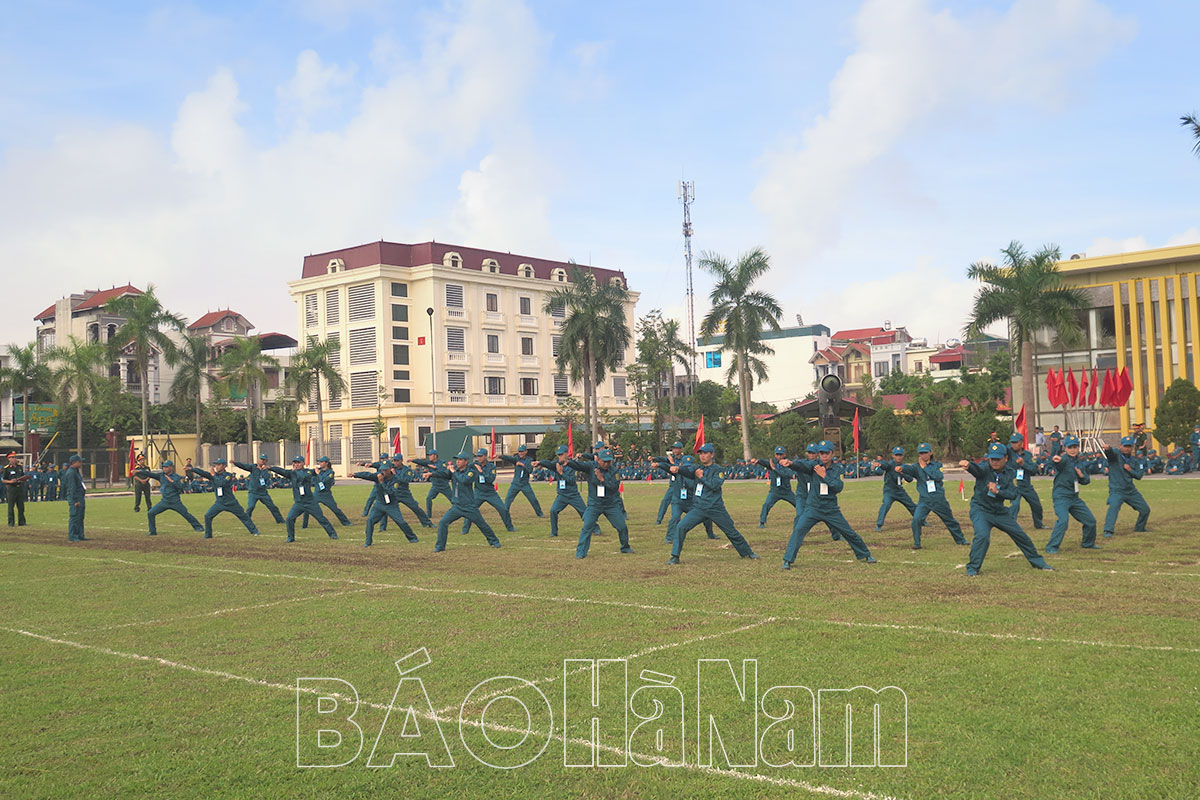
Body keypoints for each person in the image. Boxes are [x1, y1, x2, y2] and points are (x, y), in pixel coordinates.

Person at [958, 443, 1053, 576]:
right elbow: (977, 471)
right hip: (981, 510)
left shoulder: (1010, 472)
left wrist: (998, 491)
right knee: (982, 536)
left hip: (1000, 511)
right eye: (992, 459)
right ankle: (973, 568)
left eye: (998, 459)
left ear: (1006, 458)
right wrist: (969, 466)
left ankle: (1038, 562)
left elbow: (1013, 493)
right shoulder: (985, 468)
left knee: (1021, 535)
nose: (995, 462)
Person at [781, 441, 875, 569]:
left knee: (848, 532)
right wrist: (791, 464)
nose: (824, 455)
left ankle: (865, 554)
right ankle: (788, 560)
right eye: (821, 453)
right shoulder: (814, 465)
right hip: (813, 508)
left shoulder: (837, 469)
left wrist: (824, 476)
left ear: (832, 453)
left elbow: (838, 487)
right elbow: (802, 466)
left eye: (826, 453)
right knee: (798, 530)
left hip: (831, 509)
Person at [666, 444, 758, 564]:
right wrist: (677, 469)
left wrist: (702, 477)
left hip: (715, 508)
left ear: (712, 455)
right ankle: (675, 556)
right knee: (681, 527)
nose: (702, 456)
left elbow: (715, 485)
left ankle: (747, 553)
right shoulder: (698, 468)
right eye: (701, 454)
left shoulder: (718, 470)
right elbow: (688, 472)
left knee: (731, 531)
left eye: (705, 453)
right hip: (699, 508)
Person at [425, 451, 501, 552]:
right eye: (457, 459)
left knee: (482, 524)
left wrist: (453, 472)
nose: (458, 462)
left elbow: (464, 480)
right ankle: (440, 547)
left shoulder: (471, 472)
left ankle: (494, 541)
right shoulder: (455, 470)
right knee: (443, 522)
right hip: (457, 506)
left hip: (469, 506)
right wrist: (431, 474)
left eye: (460, 460)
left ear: (466, 461)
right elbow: (444, 474)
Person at [898, 443, 967, 549]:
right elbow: (908, 469)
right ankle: (917, 543)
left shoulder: (937, 465)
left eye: (925, 453)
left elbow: (938, 477)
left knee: (950, 520)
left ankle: (960, 539)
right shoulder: (916, 467)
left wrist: (925, 467)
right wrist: (901, 468)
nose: (923, 455)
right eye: (921, 453)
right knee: (916, 520)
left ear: (930, 453)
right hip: (924, 500)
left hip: (938, 499)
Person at [568, 448, 632, 559]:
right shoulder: (591, 467)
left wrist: (602, 480)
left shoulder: (614, 471)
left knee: (622, 526)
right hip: (595, 504)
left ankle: (625, 547)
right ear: (598, 460)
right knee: (587, 526)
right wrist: (568, 462)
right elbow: (579, 466)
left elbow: (614, 487)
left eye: (609, 461)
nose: (607, 464)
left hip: (610, 504)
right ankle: (581, 552)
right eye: (604, 461)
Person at [1046, 435, 1100, 553]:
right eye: (1070, 447)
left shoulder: (1080, 462)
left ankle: (1088, 543)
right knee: (1063, 521)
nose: (1072, 450)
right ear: (1065, 448)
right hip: (1061, 497)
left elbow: (1086, 481)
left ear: (1078, 448)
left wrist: (1082, 475)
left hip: (1074, 498)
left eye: (1075, 447)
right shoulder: (1064, 460)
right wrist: (1056, 460)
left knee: (1090, 521)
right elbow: (1058, 463)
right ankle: (1052, 547)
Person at [271, 456, 339, 542]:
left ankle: (332, 534)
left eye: (298, 462)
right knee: (289, 519)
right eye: (295, 463)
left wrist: (317, 471)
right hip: (299, 503)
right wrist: (270, 468)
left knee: (321, 518)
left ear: (303, 463)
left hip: (310, 502)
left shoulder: (308, 472)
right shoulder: (292, 473)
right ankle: (291, 537)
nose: (296, 464)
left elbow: (314, 473)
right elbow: (280, 471)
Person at [188, 458, 260, 538]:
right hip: (219, 502)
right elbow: (203, 473)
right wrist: (192, 469)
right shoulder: (214, 475)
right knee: (208, 516)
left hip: (231, 502)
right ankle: (208, 535)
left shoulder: (228, 476)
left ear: (224, 466)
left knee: (244, 517)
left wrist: (213, 475)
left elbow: (221, 483)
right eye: (216, 465)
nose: (216, 467)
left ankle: (254, 531)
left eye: (219, 465)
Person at [353, 464, 419, 547]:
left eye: (385, 470)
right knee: (370, 521)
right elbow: (368, 475)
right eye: (382, 470)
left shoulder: (396, 480)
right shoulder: (379, 475)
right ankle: (368, 542)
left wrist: (382, 482)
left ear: (390, 469)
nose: (383, 472)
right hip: (379, 504)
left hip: (391, 505)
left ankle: (412, 538)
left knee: (401, 522)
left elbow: (391, 492)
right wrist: (355, 475)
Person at [135, 460, 204, 536]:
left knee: (185, 514)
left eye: (166, 467)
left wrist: (172, 481)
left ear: (171, 467)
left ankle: (198, 527)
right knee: (151, 513)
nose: (165, 469)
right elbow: (150, 474)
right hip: (164, 502)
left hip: (175, 501)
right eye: (164, 467)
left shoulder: (177, 477)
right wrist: (139, 471)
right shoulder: (161, 475)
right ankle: (152, 532)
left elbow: (181, 487)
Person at [1101, 435, 1151, 538]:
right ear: (1120, 446)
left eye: (1129, 446)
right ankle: (1108, 530)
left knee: (1145, 509)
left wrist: (1130, 470)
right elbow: (1110, 454)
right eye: (1125, 446)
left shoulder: (1134, 460)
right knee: (1113, 507)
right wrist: (1108, 449)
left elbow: (1139, 475)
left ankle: (1140, 528)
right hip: (1117, 490)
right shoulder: (1116, 456)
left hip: (1130, 490)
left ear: (1132, 447)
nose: (1127, 448)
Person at [460, 449, 515, 534]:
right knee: (470, 510)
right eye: (478, 456)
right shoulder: (474, 465)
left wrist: (481, 472)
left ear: (486, 456)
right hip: (478, 492)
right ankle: (465, 530)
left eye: (481, 456)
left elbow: (490, 479)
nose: (479, 458)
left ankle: (510, 527)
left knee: (503, 509)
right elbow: (463, 468)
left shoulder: (491, 467)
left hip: (490, 493)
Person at [537, 445, 585, 538]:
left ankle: (595, 529)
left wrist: (561, 473)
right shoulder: (556, 464)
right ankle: (554, 532)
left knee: (584, 513)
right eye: (558, 455)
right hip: (562, 495)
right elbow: (548, 463)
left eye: (561, 455)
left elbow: (571, 480)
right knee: (553, 511)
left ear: (567, 454)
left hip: (573, 495)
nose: (559, 457)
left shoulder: (572, 465)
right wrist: (540, 462)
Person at [299, 455, 353, 529]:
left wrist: (318, 474)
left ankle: (346, 522)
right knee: (307, 508)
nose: (320, 463)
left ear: (326, 463)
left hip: (326, 494)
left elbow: (324, 480)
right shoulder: (317, 470)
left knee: (335, 509)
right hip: (317, 493)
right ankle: (304, 525)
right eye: (319, 462)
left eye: (322, 462)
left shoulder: (330, 472)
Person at [874, 447, 919, 531]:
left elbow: (910, 479)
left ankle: (921, 520)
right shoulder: (891, 464)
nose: (898, 457)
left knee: (911, 505)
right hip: (889, 490)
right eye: (896, 455)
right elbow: (885, 465)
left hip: (899, 490)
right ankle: (879, 525)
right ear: (893, 456)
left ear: (903, 456)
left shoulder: (904, 466)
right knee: (885, 505)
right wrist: (880, 464)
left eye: (900, 455)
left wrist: (902, 473)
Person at [232, 454, 285, 524]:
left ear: (266, 461)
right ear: (258, 460)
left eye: (264, 460)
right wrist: (235, 463)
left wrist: (264, 470)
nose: (262, 461)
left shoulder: (267, 471)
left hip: (263, 493)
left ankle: (280, 520)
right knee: (251, 507)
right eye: (261, 459)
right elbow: (244, 466)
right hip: (253, 492)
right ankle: (246, 521)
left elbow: (266, 479)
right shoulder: (253, 467)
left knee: (272, 507)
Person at [1007, 433, 1045, 530]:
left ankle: (1039, 524)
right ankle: (1011, 525)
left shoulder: (1028, 455)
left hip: (1025, 484)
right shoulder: (1008, 453)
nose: (1014, 445)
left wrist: (1024, 464)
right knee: (1015, 505)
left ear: (1022, 443)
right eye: (1012, 442)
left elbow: (1033, 469)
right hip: (1014, 484)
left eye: (1016, 442)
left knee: (1036, 504)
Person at [387, 453, 433, 527]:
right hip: (393, 493)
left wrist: (395, 474)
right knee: (385, 506)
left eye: (397, 461)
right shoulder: (391, 468)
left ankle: (427, 523)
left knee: (415, 508)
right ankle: (382, 526)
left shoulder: (407, 470)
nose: (395, 462)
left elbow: (405, 480)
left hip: (404, 493)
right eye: (394, 461)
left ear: (401, 460)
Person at [755, 446, 797, 528]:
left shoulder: (787, 464)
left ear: (784, 455)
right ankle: (762, 522)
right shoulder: (772, 463)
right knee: (766, 505)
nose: (779, 457)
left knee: (798, 504)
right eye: (777, 454)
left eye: (781, 455)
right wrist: (757, 461)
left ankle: (808, 519)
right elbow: (765, 462)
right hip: (775, 491)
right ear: (775, 455)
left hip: (786, 491)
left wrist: (774, 469)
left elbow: (786, 474)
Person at [501, 444, 545, 517]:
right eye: (519, 451)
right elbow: (509, 458)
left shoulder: (529, 460)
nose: (520, 453)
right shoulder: (516, 458)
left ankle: (540, 513)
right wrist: (500, 456)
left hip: (525, 484)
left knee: (533, 499)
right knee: (508, 499)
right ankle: (505, 514)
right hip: (515, 483)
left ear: (526, 452)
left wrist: (522, 466)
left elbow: (530, 470)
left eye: (522, 451)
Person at [412, 449, 452, 519]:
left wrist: (435, 469)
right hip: (435, 486)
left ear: (435, 456)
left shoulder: (442, 463)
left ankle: (460, 511)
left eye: (430, 455)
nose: (429, 457)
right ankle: (429, 515)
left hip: (444, 485)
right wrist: (413, 460)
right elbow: (422, 462)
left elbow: (442, 472)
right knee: (428, 498)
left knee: (453, 500)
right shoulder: (429, 463)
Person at [656, 441, 685, 525]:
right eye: (673, 448)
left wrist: (672, 463)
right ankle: (659, 519)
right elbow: (663, 459)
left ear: (680, 449)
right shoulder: (672, 458)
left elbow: (681, 468)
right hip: (673, 485)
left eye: (676, 448)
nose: (674, 450)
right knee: (665, 501)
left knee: (682, 503)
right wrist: (654, 459)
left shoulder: (684, 459)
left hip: (681, 485)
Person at [64, 454, 88, 541]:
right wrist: (75, 500)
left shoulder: (76, 471)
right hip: (76, 497)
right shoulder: (71, 473)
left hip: (80, 496)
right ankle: (73, 536)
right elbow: (71, 487)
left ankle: (80, 534)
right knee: (74, 517)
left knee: (80, 516)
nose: (81, 463)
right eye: (80, 461)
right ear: (74, 463)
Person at [3, 452, 29, 527]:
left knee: (21, 506)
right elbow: (3, 480)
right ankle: (11, 522)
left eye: (15, 457)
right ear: (9, 458)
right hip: (11, 489)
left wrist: (24, 479)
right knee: (11, 506)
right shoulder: (7, 468)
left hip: (20, 488)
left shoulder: (19, 467)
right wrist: (10, 481)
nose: (14, 459)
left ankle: (22, 522)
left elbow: (23, 476)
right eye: (13, 457)